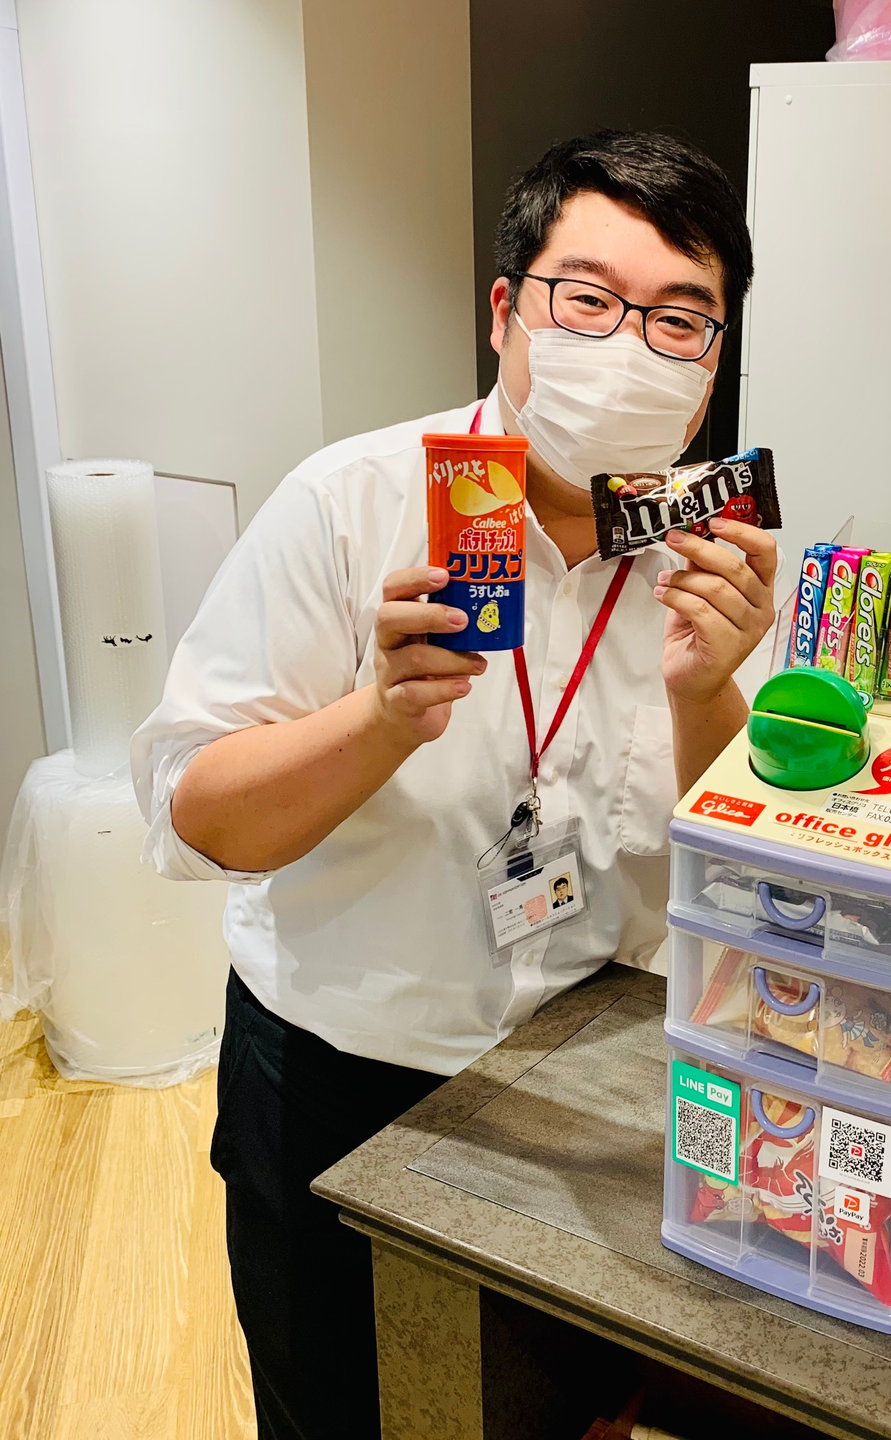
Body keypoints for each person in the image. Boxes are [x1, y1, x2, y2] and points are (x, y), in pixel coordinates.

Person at [132, 130, 777, 1440]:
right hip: (343, 1069)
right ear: (504, 311)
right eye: (587, 300)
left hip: (590, 1075)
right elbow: (198, 814)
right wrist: (377, 721)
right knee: (341, 1416)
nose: (629, 347)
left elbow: (752, 882)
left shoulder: (714, 555)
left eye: (678, 320)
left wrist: (709, 692)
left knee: (558, 1414)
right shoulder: (350, 505)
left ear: (711, 368)